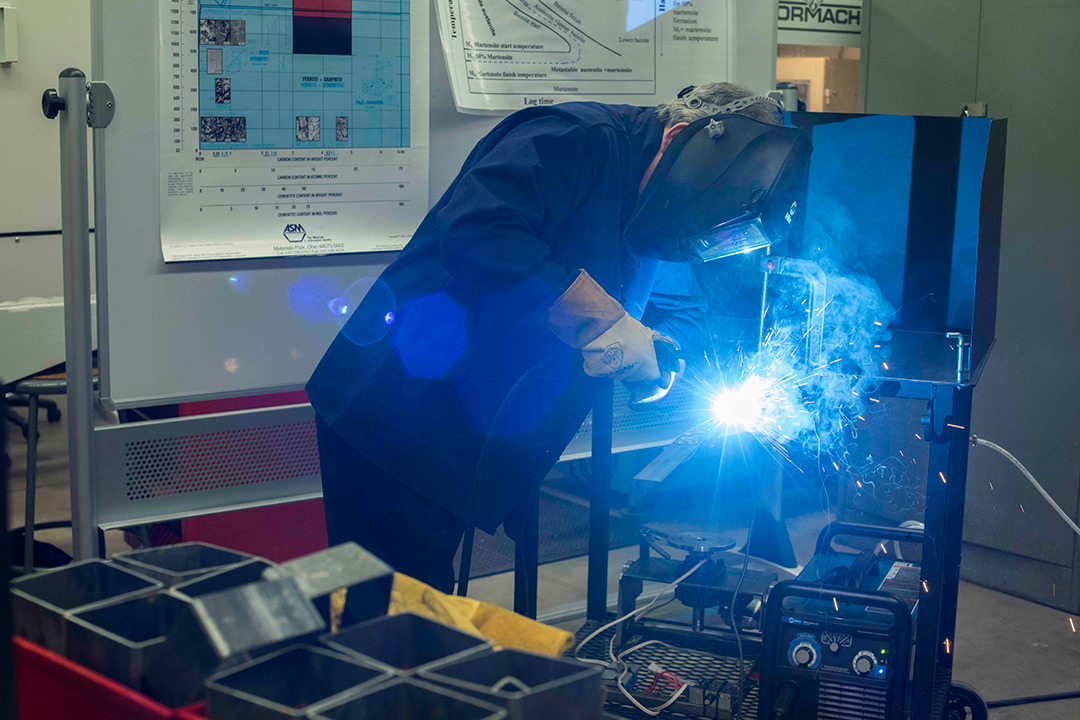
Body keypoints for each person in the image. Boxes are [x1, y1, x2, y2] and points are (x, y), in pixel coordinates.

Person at [307, 82, 804, 592]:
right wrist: (604, 322)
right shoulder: (572, 139)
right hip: (398, 414)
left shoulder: (662, 211)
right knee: (384, 610)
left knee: (419, 604)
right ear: (678, 137)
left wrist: (663, 357)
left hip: (477, 428)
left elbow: (681, 308)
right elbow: (479, 230)